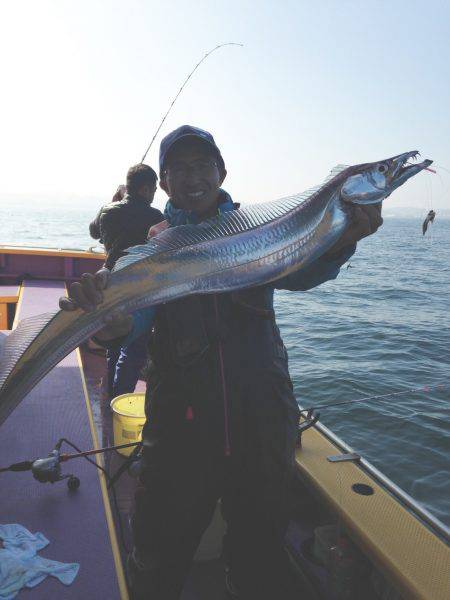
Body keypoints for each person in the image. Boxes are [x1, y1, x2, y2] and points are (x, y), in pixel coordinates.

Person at [60, 125, 383, 599]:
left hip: (263, 416)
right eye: (180, 169)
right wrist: (112, 325)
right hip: (181, 428)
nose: (193, 177)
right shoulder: (155, 248)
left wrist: (344, 238)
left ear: (222, 172)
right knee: (161, 550)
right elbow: (137, 319)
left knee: (260, 546)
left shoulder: (258, 230)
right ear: (164, 183)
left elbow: (302, 272)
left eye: (203, 165)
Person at [89, 164, 164, 398]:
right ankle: (119, 397)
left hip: (109, 280)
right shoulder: (155, 216)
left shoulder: (107, 210)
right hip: (138, 286)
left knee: (114, 341)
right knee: (134, 348)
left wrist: (111, 202)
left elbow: (94, 232)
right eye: (153, 189)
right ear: (144, 189)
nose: (153, 195)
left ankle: (108, 389)